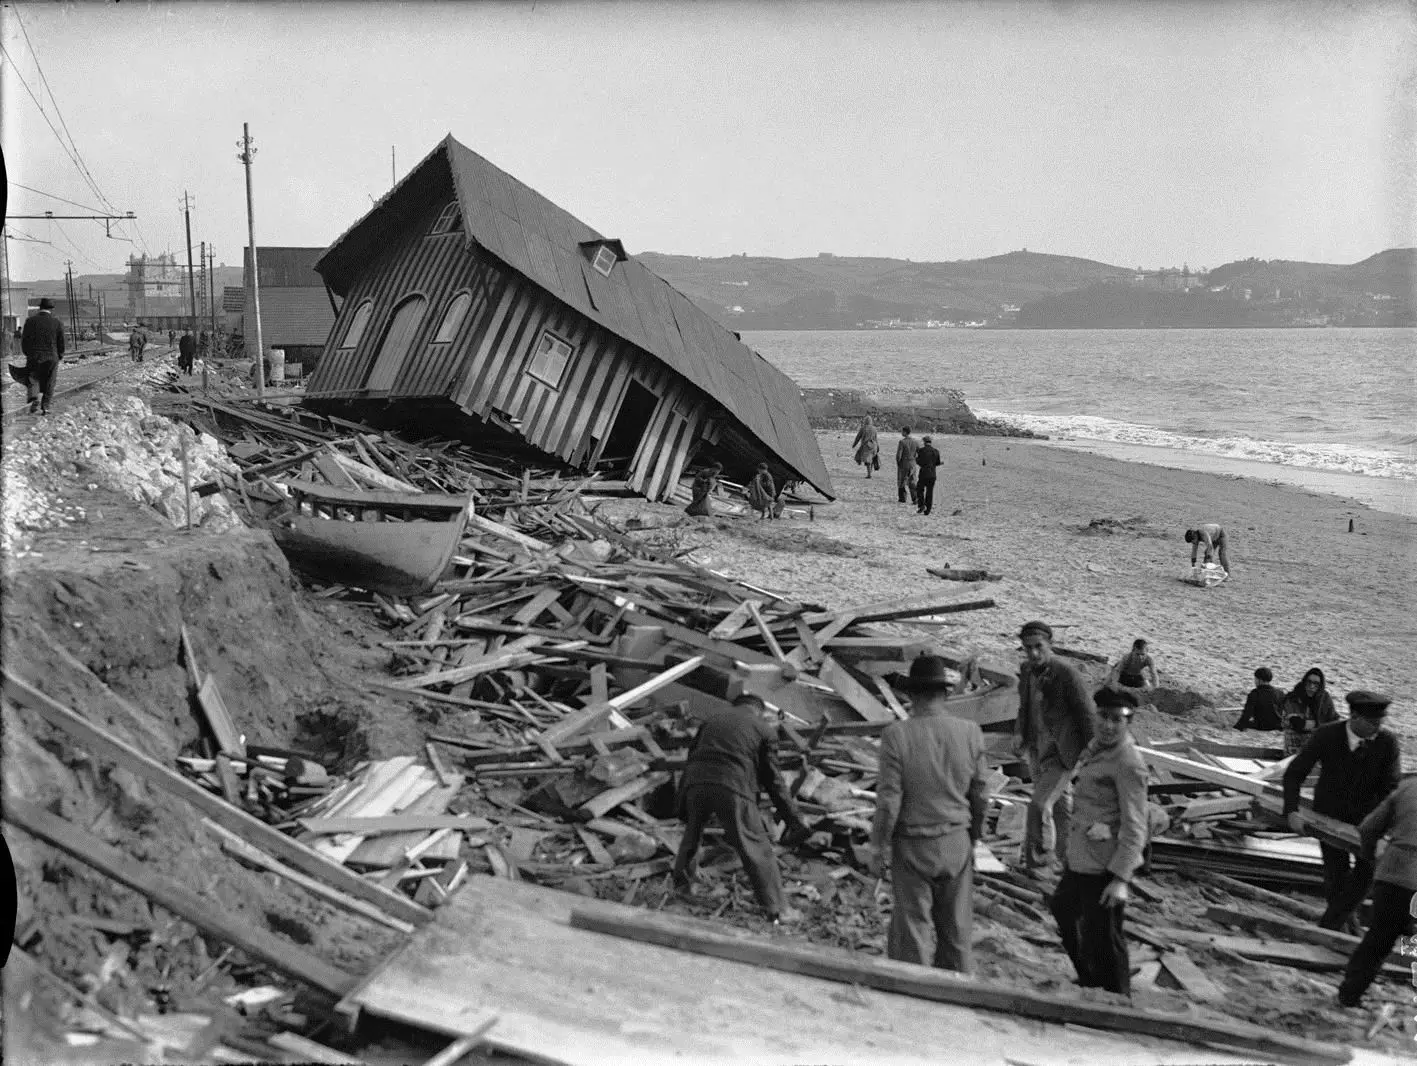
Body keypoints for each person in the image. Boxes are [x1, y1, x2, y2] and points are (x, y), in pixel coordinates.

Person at [870, 655, 990, 973]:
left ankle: (912, 1001)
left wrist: (878, 846)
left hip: (913, 845)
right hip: (955, 841)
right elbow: (981, 794)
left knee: (912, 930)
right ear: (946, 694)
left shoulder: (897, 735)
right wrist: (974, 837)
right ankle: (957, 999)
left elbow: (889, 802)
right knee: (956, 929)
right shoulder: (970, 732)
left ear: (911, 695)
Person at [672, 694, 812, 926]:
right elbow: (773, 779)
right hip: (733, 785)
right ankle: (778, 909)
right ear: (759, 710)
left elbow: (691, 756)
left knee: (692, 835)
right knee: (755, 846)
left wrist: (682, 800)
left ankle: (682, 889)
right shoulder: (763, 729)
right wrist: (793, 818)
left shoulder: (713, 720)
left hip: (696, 783)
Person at [1050, 687, 1149, 995]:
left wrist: (1121, 878)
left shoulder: (1127, 762)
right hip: (1082, 856)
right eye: (1103, 717)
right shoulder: (1097, 749)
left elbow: (1137, 824)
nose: (1108, 725)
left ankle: (1117, 997)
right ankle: (1090, 979)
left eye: (1117, 719)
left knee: (1104, 936)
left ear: (1128, 722)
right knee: (1064, 910)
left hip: (1104, 865)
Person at [1283, 690, 1401, 932]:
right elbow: (1295, 773)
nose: (1377, 728)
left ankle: (1329, 925)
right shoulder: (1327, 735)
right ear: (1355, 717)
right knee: (1335, 874)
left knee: (1367, 872)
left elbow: (1392, 789)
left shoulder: (1387, 743)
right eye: (1372, 723)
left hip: (1368, 820)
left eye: (1380, 723)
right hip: (1328, 815)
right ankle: (1343, 925)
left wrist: (1386, 827)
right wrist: (1291, 811)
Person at [1337, 723, 1414, 1007]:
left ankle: (1348, 995)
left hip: (1393, 875)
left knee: (1377, 941)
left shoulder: (1407, 789)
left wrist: (1372, 857)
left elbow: (1368, 829)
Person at [1013, 620, 1097, 873]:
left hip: (1063, 751)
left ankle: (1038, 862)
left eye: (1039, 647)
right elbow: (1024, 705)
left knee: (1039, 805)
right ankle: (1067, 856)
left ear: (1051, 644)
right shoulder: (1027, 671)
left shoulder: (1066, 673)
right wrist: (1019, 733)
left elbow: (1087, 713)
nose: (1034, 653)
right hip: (1037, 747)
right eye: (1028, 648)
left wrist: (1090, 749)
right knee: (1060, 805)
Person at [20, 297, 65, 416]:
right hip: (51, 357)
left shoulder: (30, 321)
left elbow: (24, 340)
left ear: (40, 308)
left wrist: (28, 353)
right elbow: (61, 342)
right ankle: (45, 406)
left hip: (34, 356)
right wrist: (60, 355)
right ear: (51, 309)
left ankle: (34, 398)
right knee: (50, 381)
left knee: (33, 378)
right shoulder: (57, 322)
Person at [1281, 666, 1339, 755]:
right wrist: (1318, 724)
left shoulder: (1324, 699)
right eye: (1309, 682)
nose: (1311, 686)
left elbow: (1334, 722)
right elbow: (1298, 724)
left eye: (1316, 684)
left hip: (1317, 746)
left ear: (1320, 686)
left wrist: (1314, 725)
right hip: (1294, 746)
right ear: (1304, 682)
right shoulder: (1293, 698)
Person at [1234, 667, 1283, 731]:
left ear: (1259, 680)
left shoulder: (1254, 693)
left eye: (1255, 679)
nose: (1255, 681)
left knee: (1244, 723)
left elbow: (1247, 714)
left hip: (1262, 725)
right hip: (1278, 725)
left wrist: (1238, 726)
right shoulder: (1279, 693)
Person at [915, 435, 942, 516]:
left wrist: (916, 460)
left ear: (924, 442)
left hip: (923, 473)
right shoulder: (936, 451)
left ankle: (921, 505)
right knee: (929, 492)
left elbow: (919, 462)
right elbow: (937, 463)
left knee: (919, 489)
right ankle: (928, 510)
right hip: (932, 474)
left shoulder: (921, 451)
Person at [895, 427, 921, 506]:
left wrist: (898, 463)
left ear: (905, 432)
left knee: (902, 480)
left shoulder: (902, 442)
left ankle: (902, 498)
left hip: (904, 464)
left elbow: (898, 455)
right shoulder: (915, 442)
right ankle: (915, 498)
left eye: (902, 431)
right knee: (912, 480)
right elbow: (919, 453)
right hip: (912, 464)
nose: (901, 432)